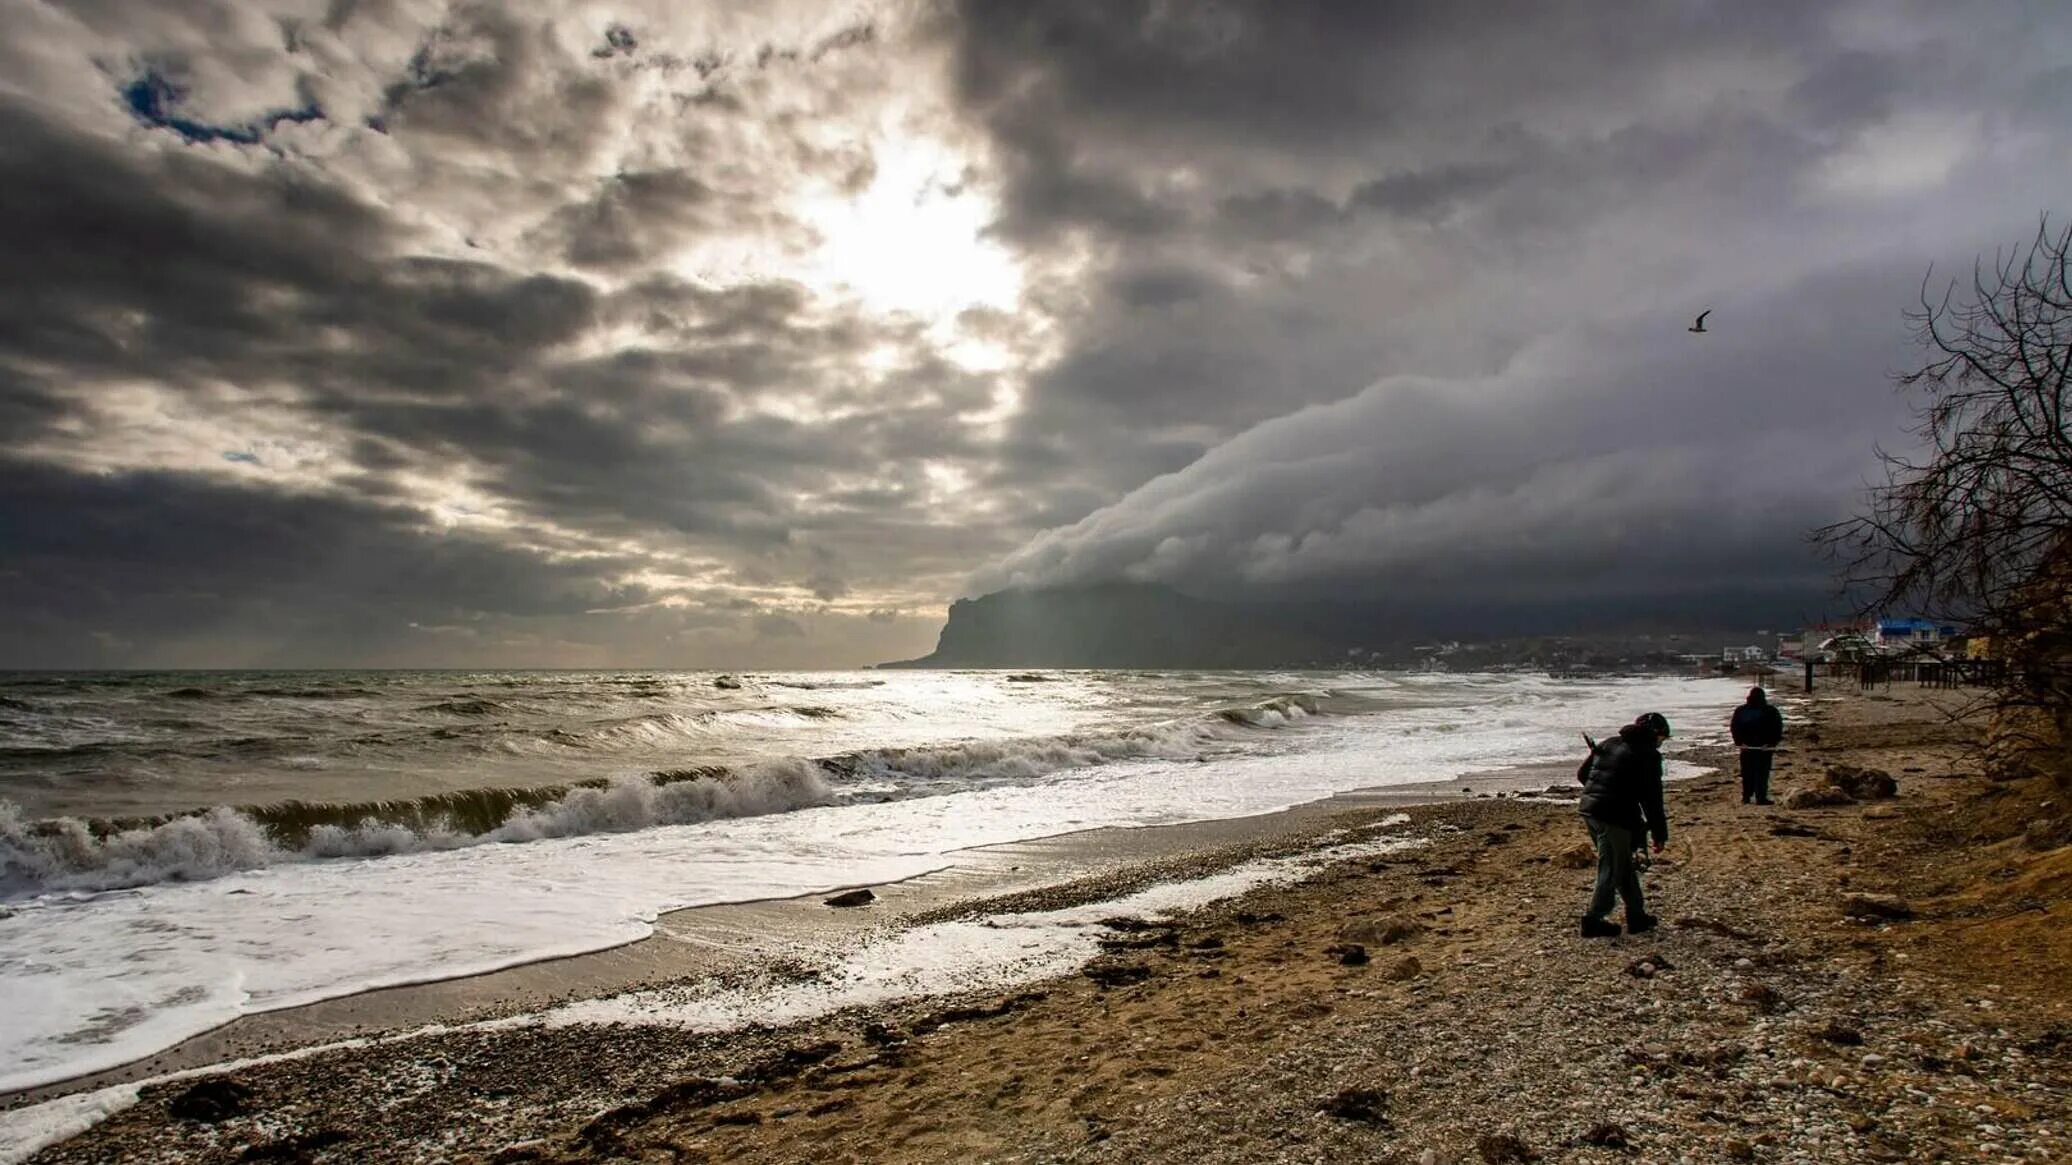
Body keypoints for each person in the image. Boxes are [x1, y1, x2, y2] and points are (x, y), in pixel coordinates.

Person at [1576, 711, 1671, 937]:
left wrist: (1605, 788)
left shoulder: (1610, 743)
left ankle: (1636, 915)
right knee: (1611, 867)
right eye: (1663, 739)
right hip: (1612, 815)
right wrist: (1659, 833)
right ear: (1656, 734)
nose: (1662, 744)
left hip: (1589, 809)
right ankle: (1593, 920)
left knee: (1623, 864)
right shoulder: (1647, 755)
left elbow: (1582, 775)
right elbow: (1652, 799)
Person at [1730, 687, 1785, 804]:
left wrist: (1739, 742)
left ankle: (1746, 796)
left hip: (1749, 746)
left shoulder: (1741, 710)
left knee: (1747, 772)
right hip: (1761, 746)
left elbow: (1734, 727)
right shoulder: (1770, 710)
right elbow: (1777, 728)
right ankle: (1760, 797)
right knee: (1762, 772)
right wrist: (1771, 743)